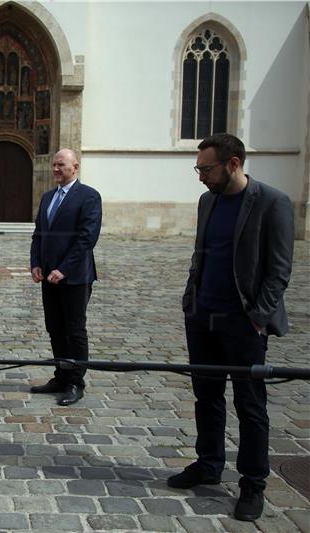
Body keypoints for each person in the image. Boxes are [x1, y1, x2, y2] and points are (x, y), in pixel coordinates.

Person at [169, 133, 294, 522]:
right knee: (206, 398)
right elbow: (201, 253)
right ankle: (209, 463)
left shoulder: (273, 202)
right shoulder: (208, 201)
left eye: (206, 169)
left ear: (233, 163)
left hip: (243, 324)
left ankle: (253, 482)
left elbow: (278, 270)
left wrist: (258, 317)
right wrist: (191, 298)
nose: (200, 176)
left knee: (250, 405)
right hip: (203, 318)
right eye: (198, 168)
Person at [29, 148, 102, 406]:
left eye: (61, 165)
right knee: (55, 328)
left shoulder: (89, 197)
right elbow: (39, 234)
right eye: (54, 165)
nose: (56, 169)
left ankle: (75, 382)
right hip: (49, 276)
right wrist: (36, 263)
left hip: (75, 277)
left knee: (74, 330)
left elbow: (87, 238)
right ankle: (61, 376)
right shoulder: (48, 197)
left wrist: (65, 268)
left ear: (75, 167)